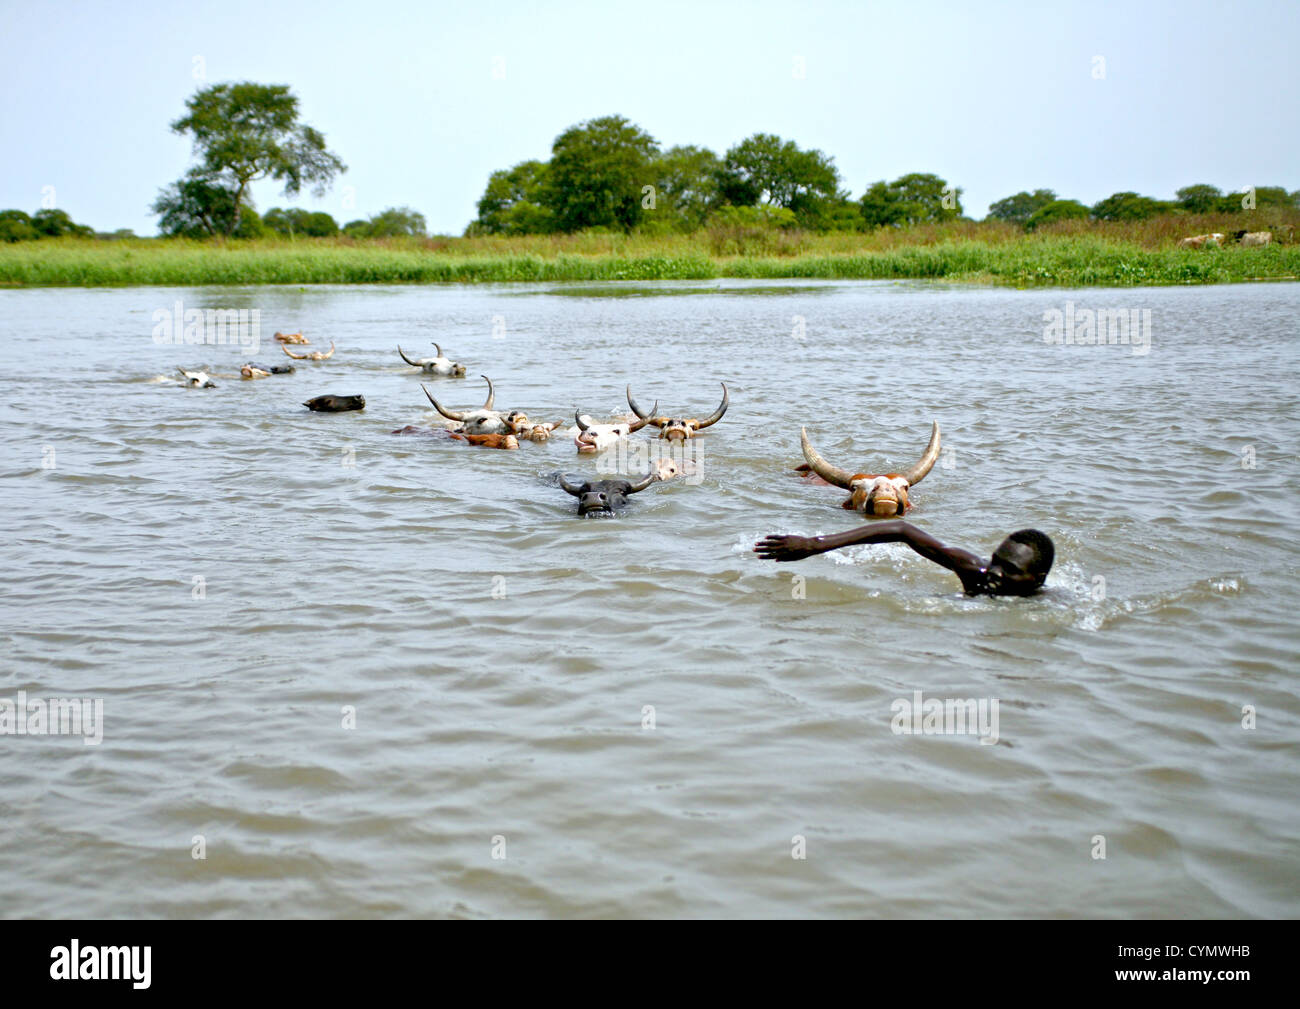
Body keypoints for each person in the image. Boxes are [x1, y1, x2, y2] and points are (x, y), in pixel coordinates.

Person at [754, 520, 1054, 597]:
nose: (995, 572)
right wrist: (815, 544)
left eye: (1010, 570)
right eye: (996, 561)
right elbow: (902, 530)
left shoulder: (1051, 606)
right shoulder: (973, 571)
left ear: (1037, 581)